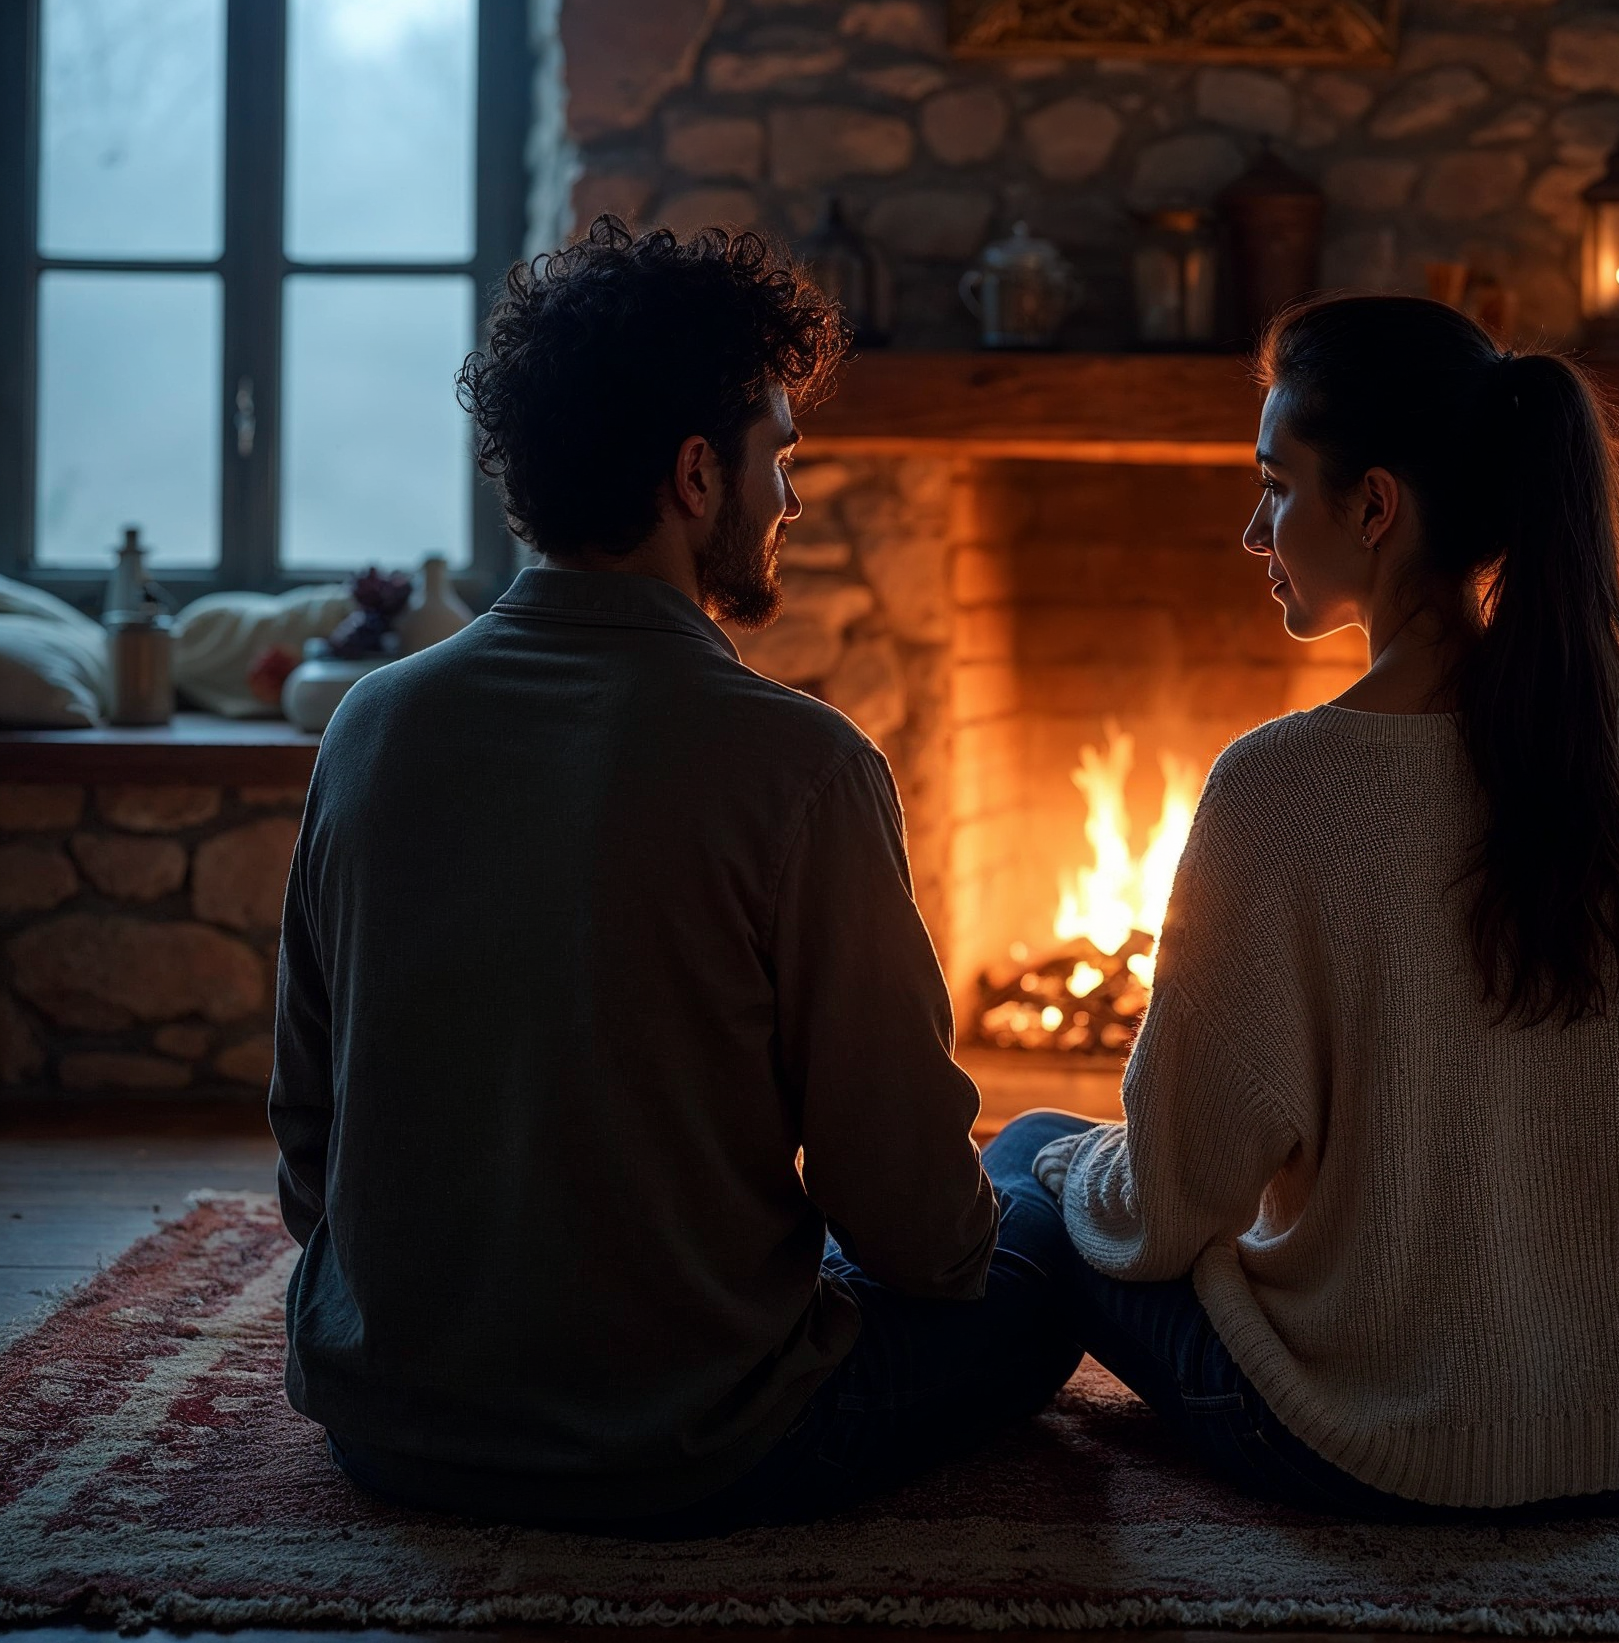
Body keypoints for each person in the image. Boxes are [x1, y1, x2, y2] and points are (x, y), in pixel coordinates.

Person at [270, 219, 1079, 1535]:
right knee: (1049, 1186)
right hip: (695, 1442)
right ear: (698, 475)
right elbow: (918, 1233)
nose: (793, 501)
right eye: (780, 456)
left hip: (392, 1425)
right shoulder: (800, 767)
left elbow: (312, 1155)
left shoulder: (371, 723)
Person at [1004, 293, 1619, 1523]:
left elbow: (1177, 1194)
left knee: (1031, 1155)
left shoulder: (1278, 784)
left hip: (1377, 1442)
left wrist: (1080, 1168)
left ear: (1373, 505)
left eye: (1274, 485)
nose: (1253, 528)